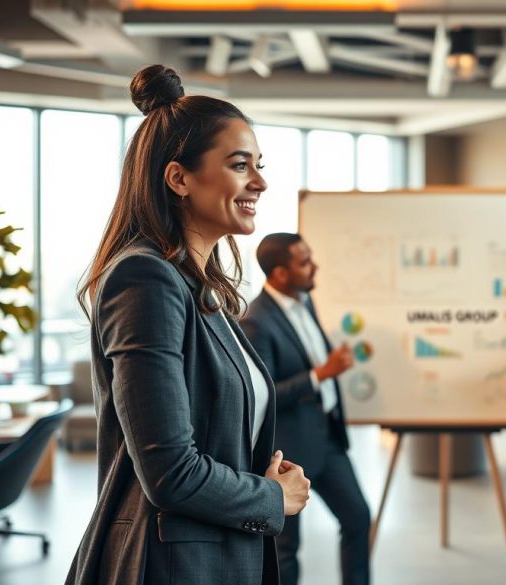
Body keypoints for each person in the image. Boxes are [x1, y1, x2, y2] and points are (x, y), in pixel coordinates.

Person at [67, 65, 311, 585]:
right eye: (241, 164)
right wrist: (273, 497)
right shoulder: (144, 278)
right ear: (179, 178)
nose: (260, 182)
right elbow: (170, 474)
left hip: (218, 556)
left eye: (259, 165)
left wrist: (260, 474)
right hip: (175, 567)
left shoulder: (197, 285)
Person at [240, 233, 371, 585]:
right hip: (290, 451)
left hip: (328, 438)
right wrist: (321, 374)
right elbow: (262, 395)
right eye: (304, 262)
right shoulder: (255, 321)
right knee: (286, 547)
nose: (315, 267)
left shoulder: (306, 301)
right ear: (280, 273)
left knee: (359, 519)